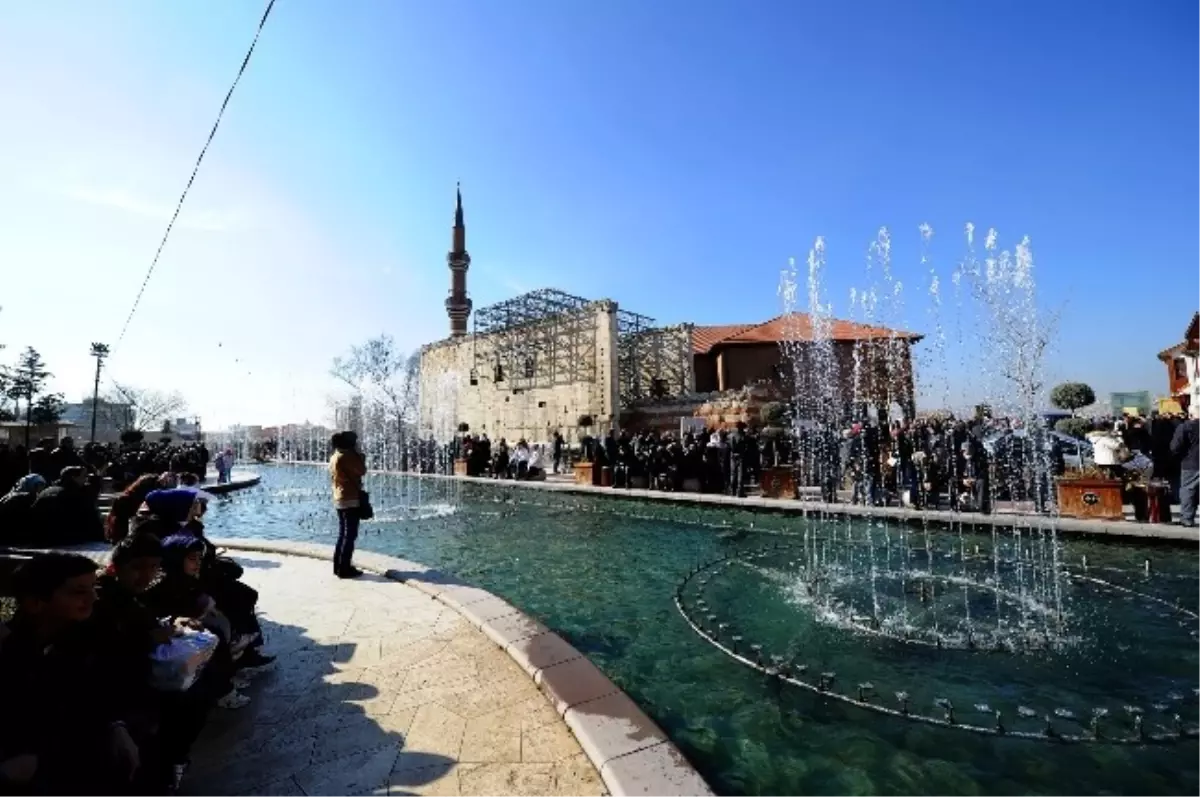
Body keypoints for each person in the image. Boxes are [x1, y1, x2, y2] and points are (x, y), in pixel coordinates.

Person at [0, 552, 145, 796]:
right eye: (79, 592)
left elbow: (94, 694)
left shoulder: (81, 638)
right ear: (35, 602)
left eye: (93, 588)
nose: (93, 598)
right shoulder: (10, 651)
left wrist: (116, 726)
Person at [328, 431, 366, 578]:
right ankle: (344, 569)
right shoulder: (348, 456)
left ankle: (338, 566)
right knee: (350, 535)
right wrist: (359, 455)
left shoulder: (335, 456)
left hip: (340, 498)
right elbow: (362, 470)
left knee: (343, 534)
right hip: (350, 498)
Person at [1171, 403, 1200, 528]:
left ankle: (1187, 518)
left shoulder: (1185, 427)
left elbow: (1175, 447)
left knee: (1188, 490)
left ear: (1190, 414)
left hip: (1190, 463)